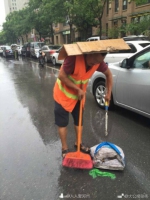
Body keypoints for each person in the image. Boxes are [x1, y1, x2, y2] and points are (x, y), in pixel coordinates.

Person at [53, 53, 113, 158]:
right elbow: (61, 76)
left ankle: (78, 143)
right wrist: (77, 89)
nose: (95, 63)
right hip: (63, 95)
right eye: (93, 59)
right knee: (63, 123)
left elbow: (109, 74)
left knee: (79, 121)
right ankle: (64, 148)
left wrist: (108, 93)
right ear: (89, 53)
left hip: (78, 97)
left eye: (98, 62)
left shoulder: (98, 62)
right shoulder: (73, 59)